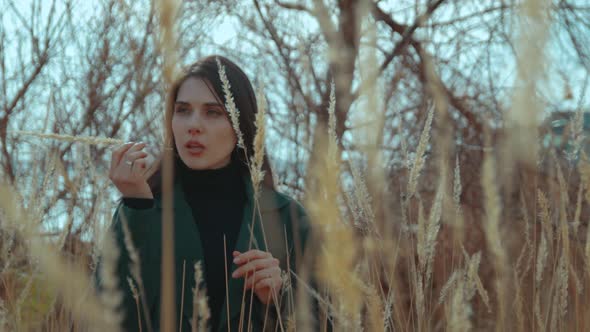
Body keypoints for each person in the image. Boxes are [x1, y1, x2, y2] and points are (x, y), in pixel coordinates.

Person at [94, 55, 313, 332]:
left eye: (213, 112)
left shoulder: (287, 219)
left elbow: (330, 320)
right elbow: (103, 316)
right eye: (183, 110)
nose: (193, 125)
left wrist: (279, 299)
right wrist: (136, 207)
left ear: (241, 124)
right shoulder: (143, 208)